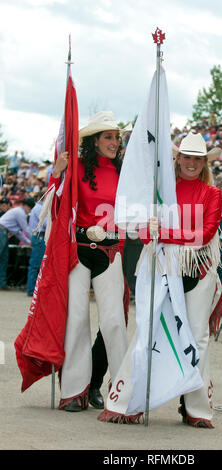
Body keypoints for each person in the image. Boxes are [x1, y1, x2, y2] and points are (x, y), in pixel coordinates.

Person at [100, 132, 222, 428]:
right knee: (149, 330)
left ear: (204, 161)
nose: (191, 163)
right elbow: (144, 235)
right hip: (160, 267)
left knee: (197, 338)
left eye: (197, 158)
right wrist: (151, 228)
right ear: (177, 158)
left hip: (199, 270)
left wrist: (164, 234)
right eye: (186, 157)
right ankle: (126, 401)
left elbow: (204, 235)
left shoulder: (212, 194)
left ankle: (196, 409)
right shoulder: (160, 191)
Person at [48, 112, 128, 412]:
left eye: (116, 137)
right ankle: (74, 392)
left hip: (111, 251)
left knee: (113, 323)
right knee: (77, 320)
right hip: (79, 250)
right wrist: (58, 173)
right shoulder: (77, 167)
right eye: (108, 136)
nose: (114, 142)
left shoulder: (125, 172)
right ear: (94, 141)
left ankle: (118, 391)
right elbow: (57, 206)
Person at [0, 197, 34, 289]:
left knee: (4, 260)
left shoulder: (18, 211)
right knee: (2, 259)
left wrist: (28, 241)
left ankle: (2, 284)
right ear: (26, 206)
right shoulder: (20, 213)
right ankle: (2, 284)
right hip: (2, 232)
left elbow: (17, 233)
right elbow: (25, 229)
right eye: (30, 208)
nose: (29, 211)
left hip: (4, 232)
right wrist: (33, 240)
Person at [26, 195, 47, 296]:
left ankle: (32, 289)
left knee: (35, 264)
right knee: (36, 265)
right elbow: (45, 223)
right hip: (40, 237)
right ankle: (32, 290)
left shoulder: (37, 208)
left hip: (37, 237)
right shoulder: (40, 208)